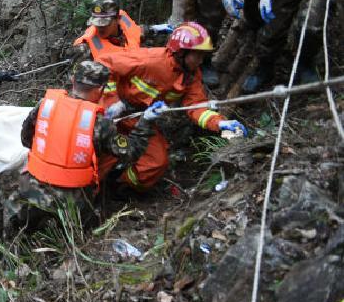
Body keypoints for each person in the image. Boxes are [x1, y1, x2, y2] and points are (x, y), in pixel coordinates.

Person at [3, 61, 156, 235]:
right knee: (81, 232)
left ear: (73, 81)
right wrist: (146, 122)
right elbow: (130, 153)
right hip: (72, 199)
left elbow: (26, 139)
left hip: (31, 188)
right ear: (100, 89)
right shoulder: (99, 122)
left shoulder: (46, 105)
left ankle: (20, 244)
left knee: (21, 228)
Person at [97, 22, 247, 191]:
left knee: (156, 163)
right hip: (112, 115)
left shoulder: (191, 75)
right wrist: (112, 100)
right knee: (99, 159)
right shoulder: (151, 60)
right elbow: (104, 65)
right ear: (180, 52)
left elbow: (197, 108)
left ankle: (119, 187)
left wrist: (219, 123)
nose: (200, 60)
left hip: (141, 120)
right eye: (197, 55)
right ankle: (90, 192)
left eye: (202, 55)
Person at [72, 0, 172, 65]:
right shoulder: (85, 46)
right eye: (96, 23)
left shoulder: (124, 22)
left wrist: (155, 29)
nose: (100, 27)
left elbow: (136, 32)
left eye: (105, 23)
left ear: (117, 19)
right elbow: (78, 85)